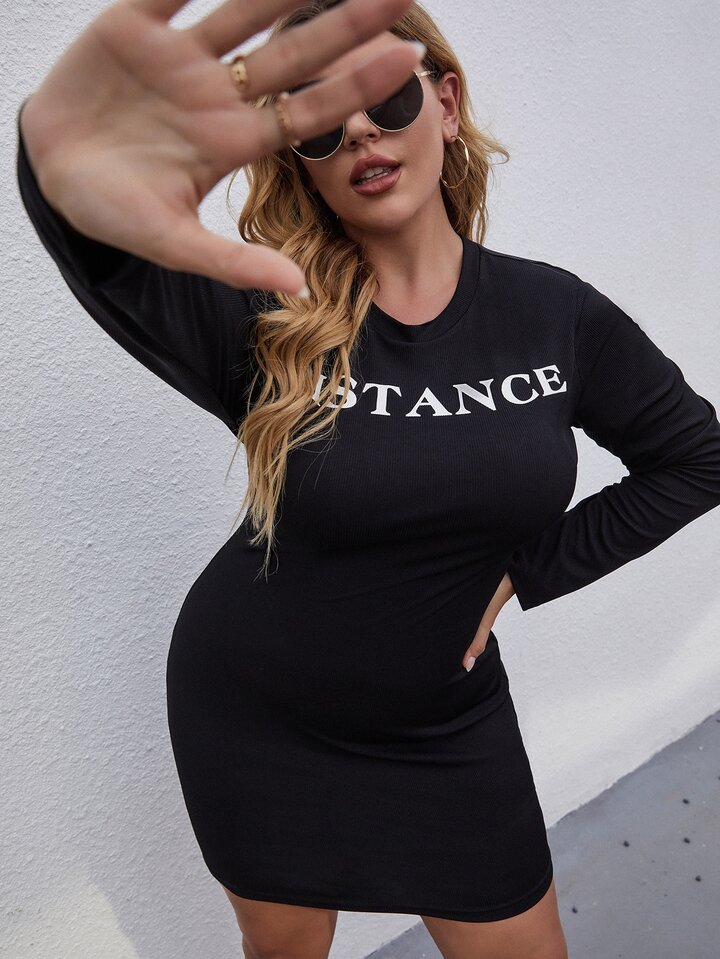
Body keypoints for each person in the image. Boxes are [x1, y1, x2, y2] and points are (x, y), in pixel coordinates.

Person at [16, 0, 720, 956]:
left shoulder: (557, 315)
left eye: (385, 96)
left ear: (446, 102)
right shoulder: (271, 318)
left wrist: (530, 570)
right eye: (317, 119)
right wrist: (57, 170)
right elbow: (102, 245)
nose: (356, 130)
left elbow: (696, 456)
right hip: (259, 720)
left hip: (447, 731)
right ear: (298, 156)